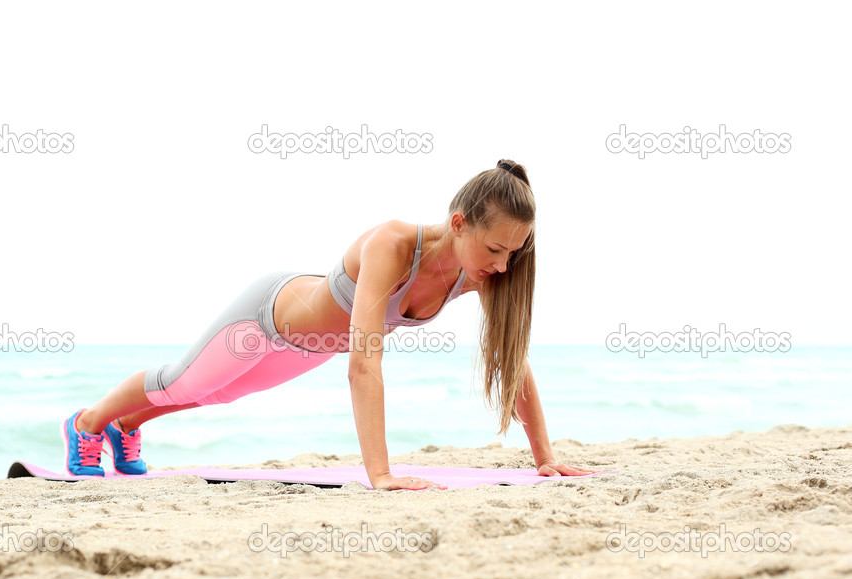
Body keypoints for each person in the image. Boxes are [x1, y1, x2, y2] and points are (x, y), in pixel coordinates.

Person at [62, 159, 594, 490]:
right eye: (496, 248)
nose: (503, 265)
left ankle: (127, 427)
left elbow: (512, 357)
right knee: (184, 381)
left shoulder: (479, 275)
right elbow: (364, 364)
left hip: (308, 347)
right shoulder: (392, 243)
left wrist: (545, 459)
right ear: (459, 223)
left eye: (513, 253)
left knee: (217, 395)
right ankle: (87, 424)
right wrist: (380, 475)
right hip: (266, 317)